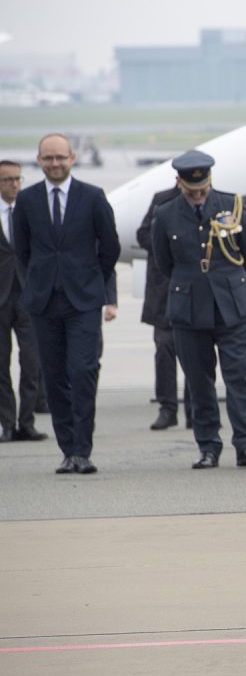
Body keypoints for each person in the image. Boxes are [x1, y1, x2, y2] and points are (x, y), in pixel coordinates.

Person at [12, 134, 120, 474]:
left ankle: (83, 449)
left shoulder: (92, 197)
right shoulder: (26, 201)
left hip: (83, 301)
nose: (55, 164)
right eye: (48, 158)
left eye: (60, 157)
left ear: (73, 158)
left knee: (82, 371)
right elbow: (22, 250)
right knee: (55, 376)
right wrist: (37, 283)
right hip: (44, 302)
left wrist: (92, 280)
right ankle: (67, 450)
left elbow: (110, 246)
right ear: (39, 160)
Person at [152, 150, 246, 470]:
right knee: (199, 382)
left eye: (203, 188)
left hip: (231, 305)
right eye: (192, 190)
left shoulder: (232, 205)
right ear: (179, 183)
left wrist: (224, 282)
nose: (199, 195)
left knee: (237, 377)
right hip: (188, 308)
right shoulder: (165, 213)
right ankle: (208, 446)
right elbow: (164, 262)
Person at [136, 184, 191, 431]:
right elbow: (143, 234)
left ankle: (195, 410)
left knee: (196, 354)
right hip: (164, 291)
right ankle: (167, 409)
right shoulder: (161, 200)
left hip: (193, 291)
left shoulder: (210, 201)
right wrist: (171, 242)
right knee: (164, 350)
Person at [0, 160, 48, 443]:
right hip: (1, 298)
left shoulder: (31, 212)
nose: (15, 184)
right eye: (8, 180)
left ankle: (26, 422)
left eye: (18, 179)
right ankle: (7, 423)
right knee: (1, 364)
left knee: (32, 362)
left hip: (29, 297)